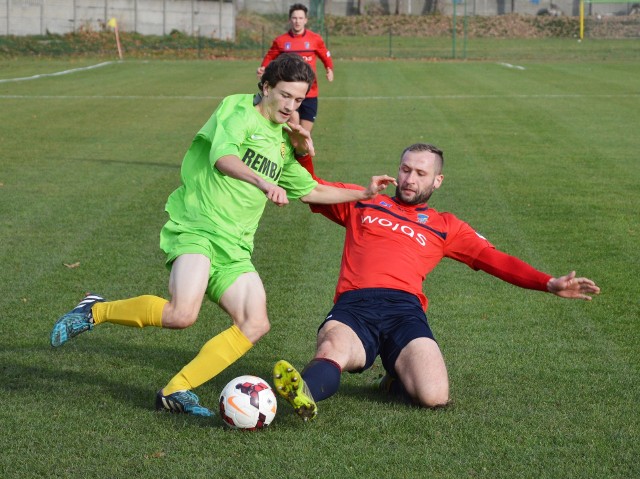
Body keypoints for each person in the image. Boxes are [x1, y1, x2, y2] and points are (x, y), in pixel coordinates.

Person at [49, 53, 395, 418]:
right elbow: (222, 158)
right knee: (182, 313)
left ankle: (176, 390)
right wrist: (263, 182)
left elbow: (309, 190)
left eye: (299, 99)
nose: (292, 106)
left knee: (255, 322)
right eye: (286, 95)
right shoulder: (237, 109)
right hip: (198, 226)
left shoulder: (282, 142)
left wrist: (364, 193)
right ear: (265, 87)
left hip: (235, 246)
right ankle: (95, 311)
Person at [272, 143, 601, 421]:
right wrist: (303, 153)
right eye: (405, 169)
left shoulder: (447, 226)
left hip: (405, 312)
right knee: (333, 349)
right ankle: (300, 394)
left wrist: (548, 283)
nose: (409, 179)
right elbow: (310, 188)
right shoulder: (364, 200)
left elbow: (495, 259)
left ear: (437, 180)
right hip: (357, 304)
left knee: (434, 396)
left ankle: (395, 379)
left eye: (420, 173)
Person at [256, 3, 333, 134]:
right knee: (293, 119)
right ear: (290, 20)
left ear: (306, 20)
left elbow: (325, 54)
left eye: (300, 18)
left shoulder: (315, 39)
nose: (297, 21)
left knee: (304, 133)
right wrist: (263, 67)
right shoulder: (281, 41)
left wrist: (329, 68)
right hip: (289, 92)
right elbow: (270, 55)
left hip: (310, 93)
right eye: (294, 18)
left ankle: (297, 151)